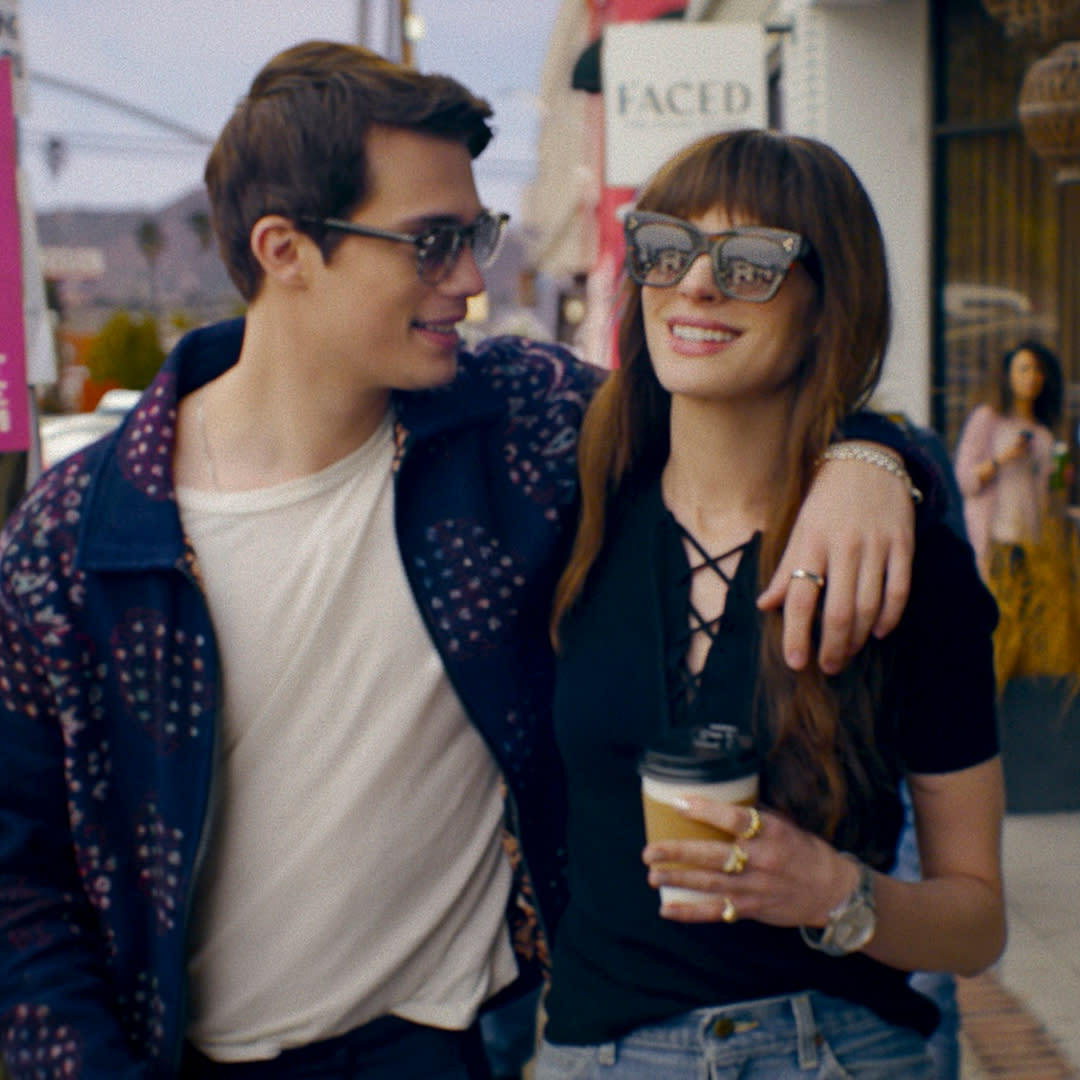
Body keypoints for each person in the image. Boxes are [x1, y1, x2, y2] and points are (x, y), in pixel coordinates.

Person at [0, 45, 931, 1080]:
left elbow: (751, 404)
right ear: (285, 249)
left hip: (459, 1044)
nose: (471, 278)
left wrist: (877, 455)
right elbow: (17, 871)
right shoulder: (81, 537)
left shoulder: (523, 425)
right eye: (431, 243)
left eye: (475, 234)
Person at [538, 129, 1005, 1079]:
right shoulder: (568, 511)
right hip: (604, 1055)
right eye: (665, 248)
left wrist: (838, 893)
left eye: (751, 263)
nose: (695, 286)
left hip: (834, 1049)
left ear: (831, 303)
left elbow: (976, 921)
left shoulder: (909, 568)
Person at [954, 341, 1079, 691]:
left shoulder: (1044, 432)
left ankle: (1018, 716)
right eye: (1024, 369)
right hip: (996, 540)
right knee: (994, 629)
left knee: (1028, 633)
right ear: (1007, 375)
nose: (1032, 377)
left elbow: (1053, 491)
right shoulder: (987, 420)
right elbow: (965, 480)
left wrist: (1062, 472)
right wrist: (1004, 458)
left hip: (1033, 542)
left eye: (1038, 370)